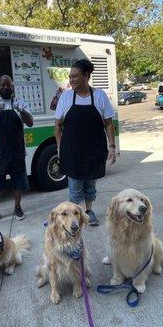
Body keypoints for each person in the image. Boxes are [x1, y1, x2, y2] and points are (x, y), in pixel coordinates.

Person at [54, 59, 116, 226]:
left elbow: (109, 123)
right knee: (75, 189)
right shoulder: (66, 97)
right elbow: (58, 125)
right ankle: (74, 217)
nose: (71, 80)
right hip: (72, 152)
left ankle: (88, 211)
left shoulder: (99, 95)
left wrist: (112, 147)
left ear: (86, 76)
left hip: (94, 151)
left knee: (90, 186)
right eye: (70, 77)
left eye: (75, 76)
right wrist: (60, 148)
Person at [0, 75, 33, 220]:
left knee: (18, 181)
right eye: (3, 85)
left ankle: (17, 207)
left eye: (8, 85)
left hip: (16, 150)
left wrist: (21, 110)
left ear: (12, 87)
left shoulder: (20, 103)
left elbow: (30, 123)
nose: (5, 88)